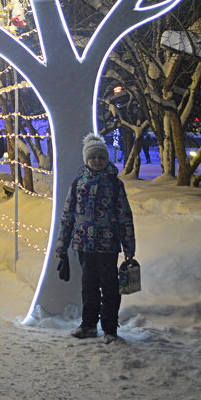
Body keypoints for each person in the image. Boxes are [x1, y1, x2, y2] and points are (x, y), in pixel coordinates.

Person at [55, 134, 136, 344]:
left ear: (106, 159)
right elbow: (67, 216)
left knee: (109, 287)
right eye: (93, 157)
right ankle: (89, 325)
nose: (97, 161)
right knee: (88, 286)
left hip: (108, 245)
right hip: (84, 245)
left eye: (101, 157)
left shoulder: (114, 185)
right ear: (86, 159)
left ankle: (110, 328)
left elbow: (124, 216)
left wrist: (129, 246)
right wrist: (61, 247)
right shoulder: (78, 184)